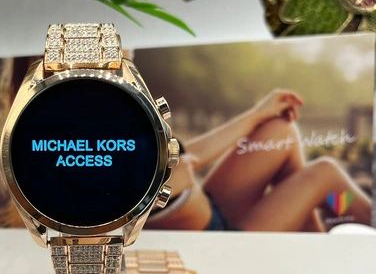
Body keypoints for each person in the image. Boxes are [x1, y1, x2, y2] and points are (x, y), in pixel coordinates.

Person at [147, 89, 371, 232]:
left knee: (279, 129)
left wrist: (257, 114)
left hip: (209, 208)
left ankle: (309, 240)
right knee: (325, 174)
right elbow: (176, 167)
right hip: (219, 243)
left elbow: (182, 155)